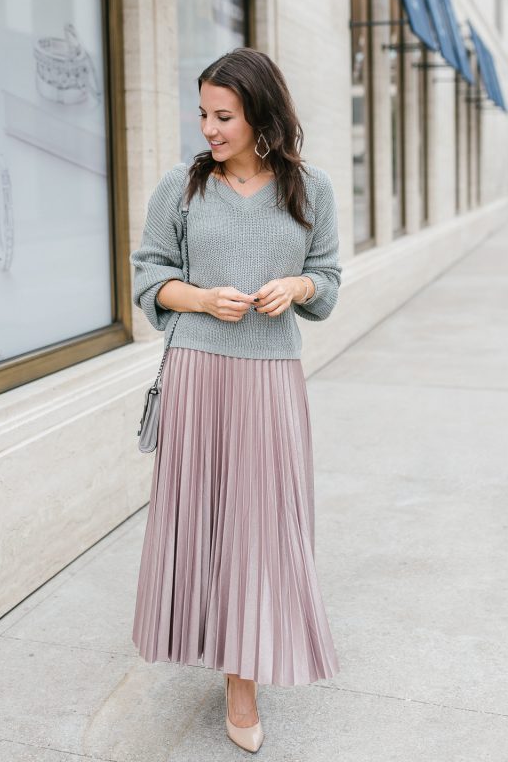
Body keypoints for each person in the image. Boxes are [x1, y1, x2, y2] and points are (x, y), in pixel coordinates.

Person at [129, 47, 342, 753]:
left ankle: (243, 675)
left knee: (261, 523)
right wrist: (199, 296)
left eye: (224, 115)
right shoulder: (181, 190)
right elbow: (148, 276)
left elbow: (329, 277)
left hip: (270, 372)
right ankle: (228, 664)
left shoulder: (310, 189)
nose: (210, 128)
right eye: (203, 114)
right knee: (206, 521)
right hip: (197, 369)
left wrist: (297, 287)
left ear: (260, 115)